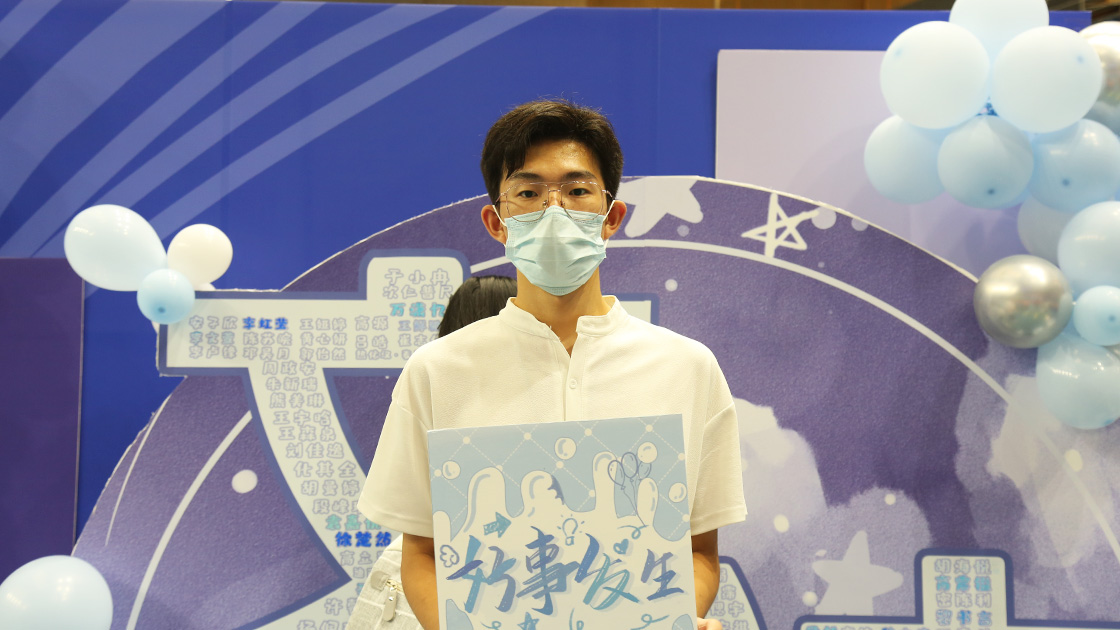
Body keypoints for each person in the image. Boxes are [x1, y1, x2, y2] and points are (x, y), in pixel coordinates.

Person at [358, 99, 745, 630]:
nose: (554, 210)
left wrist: (664, 619)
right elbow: (421, 554)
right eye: (529, 193)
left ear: (611, 217)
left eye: (578, 190)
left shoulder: (687, 368)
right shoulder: (437, 371)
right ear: (496, 222)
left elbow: (698, 552)